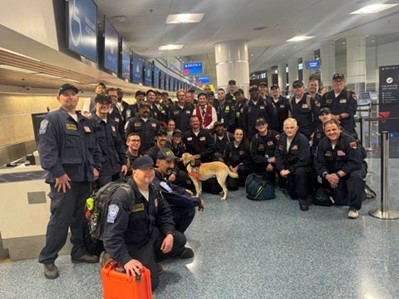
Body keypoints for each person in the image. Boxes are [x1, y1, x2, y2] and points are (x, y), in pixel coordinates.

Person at [37, 83, 103, 279]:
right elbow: (47, 150)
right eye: (65, 95)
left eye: (73, 95)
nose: (70, 98)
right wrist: (58, 173)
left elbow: (93, 148)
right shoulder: (52, 120)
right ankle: (48, 259)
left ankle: (79, 252)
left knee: (81, 219)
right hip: (63, 181)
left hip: (83, 178)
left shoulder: (84, 121)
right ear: (59, 99)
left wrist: (95, 166)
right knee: (60, 221)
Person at [102, 155, 194, 291]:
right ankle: (111, 256)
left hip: (149, 236)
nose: (149, 173)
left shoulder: (153, 189)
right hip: (133, 245)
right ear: (134, 172)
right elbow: (111, 235)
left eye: (151, 169)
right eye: (144, 169)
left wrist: (169, 233)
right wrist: (126, 259)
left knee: (179, 239)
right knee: (151, 283)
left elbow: (165, 213)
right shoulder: (123, 197)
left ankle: (150, 259)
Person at [314, 119, 366, 219]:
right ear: (325, 132)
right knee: (340, 201)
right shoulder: (322, 144)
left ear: (340, 129)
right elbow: (319, 163)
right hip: (334, 172)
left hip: (353, 169)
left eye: (334, 129)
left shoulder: (349, 141)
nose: (331, 132)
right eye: (328, 131)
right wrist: (327, 176)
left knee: (356, 177)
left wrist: (338, 175)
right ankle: (360, 191)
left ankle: (354, 207)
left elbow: (355, 161)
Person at [153, 148, 205, 233]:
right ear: (158, 162)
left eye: (173, 162)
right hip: (154, 217)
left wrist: (187, 195)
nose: (172, 166)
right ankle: (173, 238)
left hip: (160, 211)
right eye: (168, 162)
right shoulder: (154, 179)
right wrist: (196, 200)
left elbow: (173, 188)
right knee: (188, 209)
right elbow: (172, 196)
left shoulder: (160, 176)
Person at [89, 94, 127, 188]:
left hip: (116, 168)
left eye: (107, 103)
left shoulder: (112, 123)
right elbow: (87, 149)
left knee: (118, 196)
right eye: (101, 103)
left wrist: (124, 163)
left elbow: (118, 144)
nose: (105, 105)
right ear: (95, 104)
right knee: (105, 198)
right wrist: (93, 167)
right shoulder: (89, 123)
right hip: (101, 171)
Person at [275, 118, 312, 211]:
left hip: (300, 167)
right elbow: (278, 154)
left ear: (297, 128)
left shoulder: (302, 140)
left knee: (300, 171)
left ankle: (303, 199)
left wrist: (289, 170)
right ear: (283, 128)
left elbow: (304, 160)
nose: (289, 130)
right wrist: (281, 169)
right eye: (287, 128)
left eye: (292, 127)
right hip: (286, 168)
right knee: (292, 195)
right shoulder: (281, 138)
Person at [321, 73, 358, 138]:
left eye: (340, 81)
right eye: (336, 81)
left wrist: (338, 117)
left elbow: (352, 111)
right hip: (330, 128)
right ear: (332, 82)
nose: (338, 83)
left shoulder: (349, 95)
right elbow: (322, 110)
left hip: (346, 127)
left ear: (344, 82)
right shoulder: (326, 96)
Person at [249, 118, 280, 184]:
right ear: (256, 127)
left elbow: (281, 150)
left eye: (262, 124)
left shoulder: (275, 135)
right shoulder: (255, 139)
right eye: (259, 125)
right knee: (268, 182)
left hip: (276, 161)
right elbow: (253, 155)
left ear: (266, 125)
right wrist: (267, 161)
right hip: (263, 163)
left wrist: (272, 163)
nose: (261, 126)